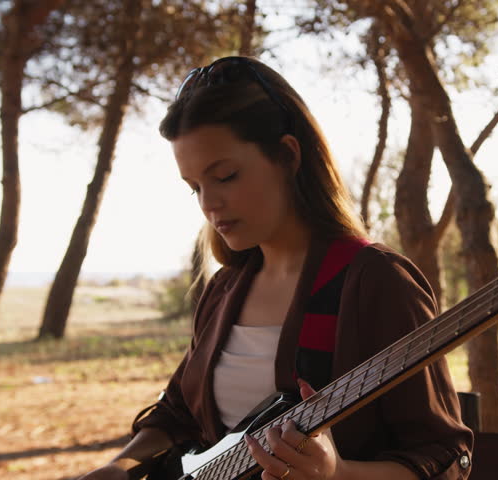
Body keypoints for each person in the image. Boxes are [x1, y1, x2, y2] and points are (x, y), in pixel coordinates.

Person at [78, 56, 472, 480]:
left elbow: (444, 459)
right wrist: (119, 466)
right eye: (195, 188)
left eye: (225, 176)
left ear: (287, 155)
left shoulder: (376, 282)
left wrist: (337, 473)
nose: (209, 204)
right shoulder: (226, 288)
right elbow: (177, 416)